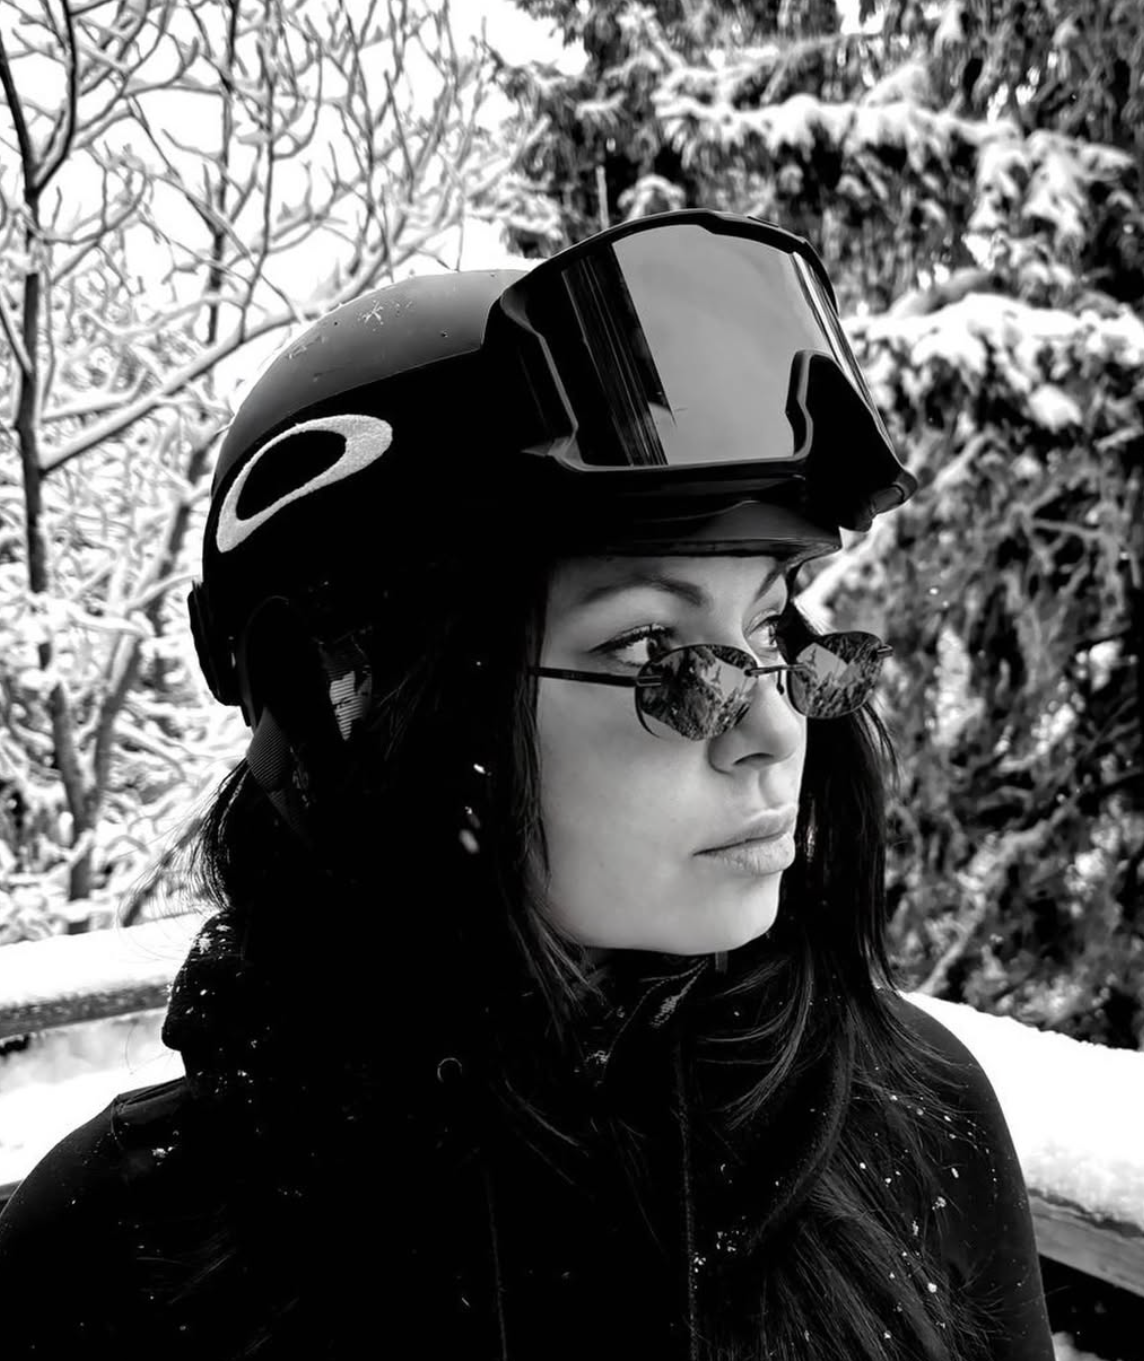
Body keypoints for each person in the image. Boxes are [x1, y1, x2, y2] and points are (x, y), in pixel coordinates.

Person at [0, 210, 1056, 1360]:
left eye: (770, 624)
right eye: (657, 655)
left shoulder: (909, 1119)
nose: (770, 729)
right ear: (358, 717)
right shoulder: (126, 1248)